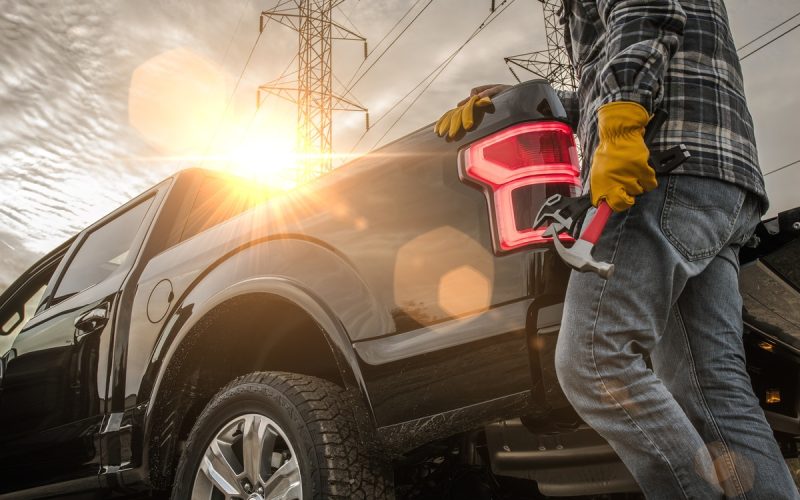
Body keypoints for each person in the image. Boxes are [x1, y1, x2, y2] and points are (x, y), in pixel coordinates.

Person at [435, 0, 799, 498]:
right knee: (713, 388)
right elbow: (636, 61)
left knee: (594, 362)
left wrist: (622, 122)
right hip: (719, 178)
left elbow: (646, 10)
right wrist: (516, 103)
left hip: (659, 172)